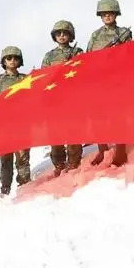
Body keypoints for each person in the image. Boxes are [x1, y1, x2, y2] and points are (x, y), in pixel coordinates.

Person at [85, 0, 132, 167]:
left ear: (115, 14)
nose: (107, 16)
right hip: (99, 81)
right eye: (104, 13)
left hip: (117, 80)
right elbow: (88, 57)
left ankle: (120, 150)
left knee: (119, 116)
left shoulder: (124, 33)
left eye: (110, 13)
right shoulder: (95, 35)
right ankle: (102, 149)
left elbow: (129, 55)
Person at [0, 46, 33, 194]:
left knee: (23, 159)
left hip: (22, 125)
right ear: (3, 61)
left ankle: (24, 186)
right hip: (4, 127)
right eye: (9, 58)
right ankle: (5, 189)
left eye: (15, 58)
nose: (12, 61)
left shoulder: (26, 79)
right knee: (5, 160)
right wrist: (5, 99)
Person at [42, 19, 85, 174]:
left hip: (73, 98)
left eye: (65, 33)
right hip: (56, 99)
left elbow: (84, 71)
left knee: (73, 132)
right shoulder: (49, 57)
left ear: (70, 35)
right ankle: (59, 165)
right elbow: (44, 78)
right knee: (56, 135)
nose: (61, 36)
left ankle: (74, 164)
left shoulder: (78, 52)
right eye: (58, 34)